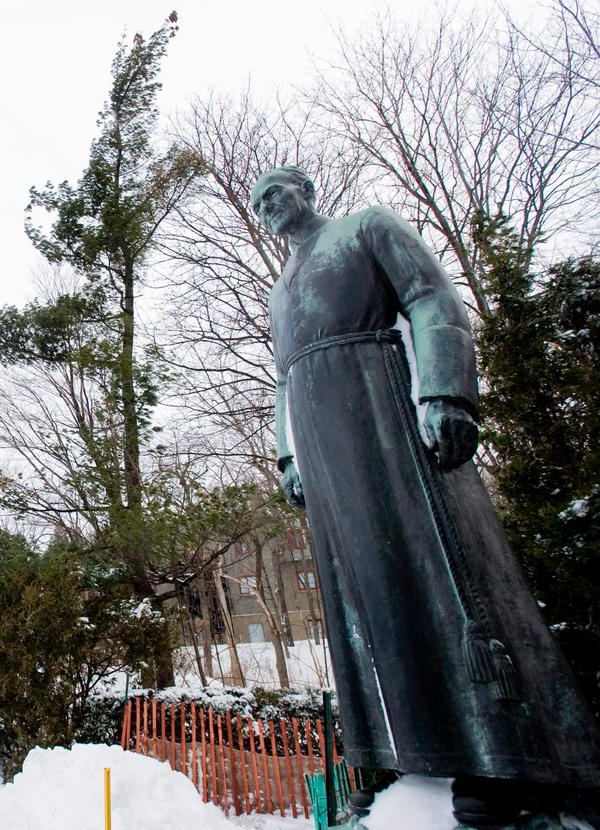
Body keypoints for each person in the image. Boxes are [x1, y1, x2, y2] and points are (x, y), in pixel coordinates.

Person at [254, 165, 600, 826]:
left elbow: (430, 297)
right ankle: (397, 756)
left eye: (276, 192)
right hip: (325, 449)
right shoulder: (280, 291)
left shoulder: (366, 228)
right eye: (259, 202)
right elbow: (282, 380)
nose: (268, 206)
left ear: (306, 191)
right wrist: (287, 454)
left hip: (386, 414)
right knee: (363, 597)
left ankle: (495, 763)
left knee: (437, 572)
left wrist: (443, 392)